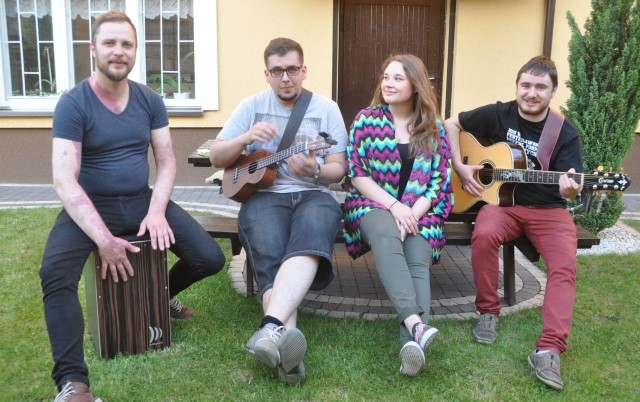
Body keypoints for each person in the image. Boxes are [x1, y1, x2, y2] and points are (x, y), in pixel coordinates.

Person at [40, 10, 225, 401]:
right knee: (55, 275)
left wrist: (156, 211)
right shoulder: (74, 104)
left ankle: (162, 297)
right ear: (93, 50)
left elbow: (167, 160)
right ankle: (72, 384)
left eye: (126, 44)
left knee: (208, 257)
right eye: (109, 43)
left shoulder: (149, 100)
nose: (118, 52)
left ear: (135, 50)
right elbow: (63, 178)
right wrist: (102, 238)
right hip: (90, 204)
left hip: (141, 201)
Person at [209, 37, 348, 384]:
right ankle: (287, 353)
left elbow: (339, 168)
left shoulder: (326, 110)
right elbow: (216, 157)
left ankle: (270, 329)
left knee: (310, 236)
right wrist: (244, 139)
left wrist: (315, 171)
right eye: (277, 71)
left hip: (312, 194)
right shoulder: (251, 106)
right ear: (267, 74)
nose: (285, 77)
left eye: (291, 70)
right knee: (270, 252)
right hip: (264, 196)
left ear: (303, 70)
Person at [444, 55, 583, 390]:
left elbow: (571, 187)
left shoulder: (564, 133)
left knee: (564, 264)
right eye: (526, 85)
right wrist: (460, 166)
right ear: (517, 86)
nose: (531, 93)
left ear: (552, 92)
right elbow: (450, 124)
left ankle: (549, 348)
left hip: (549, 210)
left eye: (540, 87)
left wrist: (571, 189)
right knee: (484, 234)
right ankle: (488, 312)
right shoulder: (498, 113)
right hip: (501, 204)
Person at [342, 54, 453, 376]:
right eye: (386, 77)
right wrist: (395, 207)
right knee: (386, 233)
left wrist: (413, 213)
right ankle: (417, 324)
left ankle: (412, 344)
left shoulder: (435, 129)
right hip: (372, 205)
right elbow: (357, 175)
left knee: (418, 255)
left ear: (415, 86)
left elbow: (439, 182)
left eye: (397, 78)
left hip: (420, 211)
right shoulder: (366, 120)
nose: (388, 83)